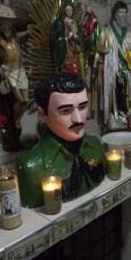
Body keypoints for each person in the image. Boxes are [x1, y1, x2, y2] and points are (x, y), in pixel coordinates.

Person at [16, 73, 105, 208]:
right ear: (42, 115)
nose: (78, 119)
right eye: (66, 110)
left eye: (82, 107)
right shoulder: (30, 166)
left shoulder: (95, 145)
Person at [103, 1, 131, 131]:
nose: (123, 16)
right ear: (114, 15)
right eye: (120, 13)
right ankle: (114, 119)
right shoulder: (107, 30)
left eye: (125, 13)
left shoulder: (128, 32)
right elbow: (102, 47)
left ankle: (125, 118)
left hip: (126, 69)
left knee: (126, 94)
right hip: (113, 69)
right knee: (114, 92)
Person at [51, 2, 81, 77]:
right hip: (64, 49)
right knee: (68, 69)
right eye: (67, 10)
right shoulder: (60, 22)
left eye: (71, 10)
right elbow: (56, 37)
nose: (69, 12)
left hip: (73, 49)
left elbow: (79, 37)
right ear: (64, 11)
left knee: (75, 69)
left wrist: (76, 37)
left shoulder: (74, 22)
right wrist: (66, 37)